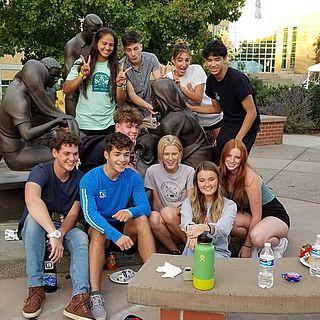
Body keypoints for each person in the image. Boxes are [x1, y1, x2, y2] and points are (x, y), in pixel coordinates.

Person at [80, 132, 155, 320]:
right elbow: (90, 215)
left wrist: (130, 212)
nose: (122, 159)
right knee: (97, 233)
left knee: (142, 219)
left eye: (126, 154)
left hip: (124, 226)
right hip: (102, 229)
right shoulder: (89, 179)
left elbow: (145, 207)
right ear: (107, 154)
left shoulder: (132, 176)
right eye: (117, 154)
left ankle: (152, 279)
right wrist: (115, 235)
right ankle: (95, 294)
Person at [18, 133, 92, 320]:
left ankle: (79, 297)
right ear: (55, 152)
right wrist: (52, 231)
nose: (72, 158)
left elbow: (73, 214)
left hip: (61, 227)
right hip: (39, 226)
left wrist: (59, 234)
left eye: (75, 154)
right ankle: (36, 288)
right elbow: (32, 200)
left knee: (81, 238)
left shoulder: (79, 177)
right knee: (34, 221)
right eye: (67, 153)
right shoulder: (41, 171)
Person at [0, 58, 78, 171]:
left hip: (29, 146)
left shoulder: (27, 91)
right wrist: (56, 121)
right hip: (16, 154)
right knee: (64, 156)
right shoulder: (18, 99)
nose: (55, 80)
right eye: (52, 76)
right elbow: (27, 134)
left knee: (67, 148)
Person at [220, 139, 290, 258]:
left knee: (257, 238)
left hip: (273, 216)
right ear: (223, 156)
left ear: (243, 159)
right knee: (229, 221)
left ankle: (278, 243)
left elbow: (257, 215)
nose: (232, 161)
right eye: (229, 156)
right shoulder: (222, 173)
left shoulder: (249, 178)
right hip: (251, 216)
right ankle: (259, 237)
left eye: (237, 157)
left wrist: (247, 246)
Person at [202, 39, 260, 164]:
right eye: (209, 60)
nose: (213, 64)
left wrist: (238, 139)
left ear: (224, 59)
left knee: (234, 159)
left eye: (217, 59)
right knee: (219, 157)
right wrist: (190, 108)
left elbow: (252, 112)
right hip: (229, 121)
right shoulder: (211, 81)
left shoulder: (237, 80)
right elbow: (216, 109)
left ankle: (254, 182)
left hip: (247, 122)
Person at [64, 27, 126, 136]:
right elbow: (66, 89)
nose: (107, 48)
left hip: (108, 125)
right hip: (84, 125)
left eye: (111, 45)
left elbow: (120, 102)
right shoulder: (82, 62)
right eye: (104, 43)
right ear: (96, 43)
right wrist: (82, 75)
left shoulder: (117, 67)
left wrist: (120, 85)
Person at [146, 78, 214, 168]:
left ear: (163, 98)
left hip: (194, 162)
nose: (151, 99)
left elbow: (168, 149)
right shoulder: (184, 112)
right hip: (206, 156)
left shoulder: (172, 120)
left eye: (154, 96)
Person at [145, 135, 194, 254]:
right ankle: (175, 252)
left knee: (167, 212)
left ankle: (191, 248)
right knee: (153, 216)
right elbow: (156, 204)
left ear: (180, 154)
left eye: (174, 154)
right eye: (166, 154)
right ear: (161, 155)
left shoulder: (189, 171)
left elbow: (190, 204)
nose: (170, 158)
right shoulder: (152, 171)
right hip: (165, 226)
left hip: (182, 219)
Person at [167, 40, 223, 139]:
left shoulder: (196, 70)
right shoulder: (169, 78)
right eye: (180, 60)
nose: (184, 64)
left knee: (221, 152)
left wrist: (181, 88)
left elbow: (198, 98)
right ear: (173, 60)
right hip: (195, 124)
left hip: (214, 119)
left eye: (187, 60)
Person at [180, 161, 237, 258]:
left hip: (218, 253)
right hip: (193, 250)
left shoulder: (229, 205)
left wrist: (205, 227)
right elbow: (185, 222)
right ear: (196, 183)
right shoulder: (188, 202)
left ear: (218, 180)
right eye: (202, 180)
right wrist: (193, 231)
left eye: (211, 179)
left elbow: (224, 228)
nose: (207, 184)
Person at [79, 106, 143, 173]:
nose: (134, 131)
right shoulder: (105, 145)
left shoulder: (132, 143)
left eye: (136, 127)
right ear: (117, 127)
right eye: (129, 126)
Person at [63, 13, 103, 116]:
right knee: (75, 129)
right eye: (92, 31)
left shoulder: (99, 44)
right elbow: (69, 76)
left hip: (93, 95)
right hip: (75, 96)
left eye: (98, 32)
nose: (96, 34)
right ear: (84, 28)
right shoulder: (72, 45)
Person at [119, 31, 161, 126]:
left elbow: (158, 82)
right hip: (129, 113)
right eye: (129, 50)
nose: (133, 54)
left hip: (147, 113)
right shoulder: (121, 66)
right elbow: (131, 94)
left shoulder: (151, 59)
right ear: (124, 50)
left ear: (141, 47)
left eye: (136, 49)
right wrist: (148, 106)